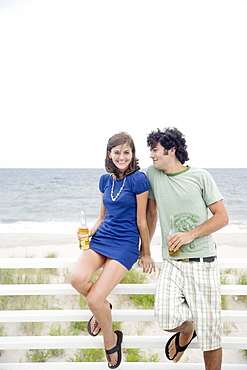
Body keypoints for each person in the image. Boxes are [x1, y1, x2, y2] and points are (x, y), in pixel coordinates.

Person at [145, 127, 229, 370]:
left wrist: (189, 235)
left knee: (211, 333)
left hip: (203, 262)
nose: (151, 155)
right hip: (172, 263)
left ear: (172, 150)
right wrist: (146, 250)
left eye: (155, 150)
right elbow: (150, 212)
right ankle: (187, 328)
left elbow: (222, 217)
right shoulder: (153, 174)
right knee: (165, 316)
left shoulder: (201, 176)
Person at [71, 132, 155, 369]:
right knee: (77, 279)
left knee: (94, 298)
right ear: (109, 154)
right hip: (102, 238)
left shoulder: (139, 180)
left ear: (132, 154)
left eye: (126, 152)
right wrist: (89, 234)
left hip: (125, 243)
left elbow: (142, 220)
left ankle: (110, 339)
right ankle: (104, 309)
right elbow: (102, 216)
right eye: (116, 152)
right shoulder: (104, 180)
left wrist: (145, 252)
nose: (121, 156)